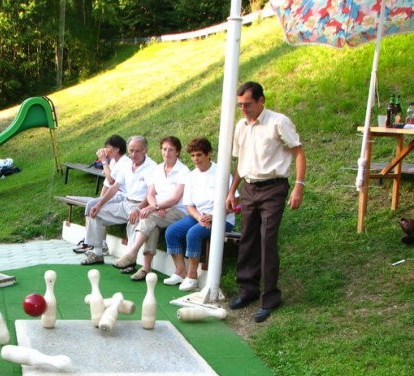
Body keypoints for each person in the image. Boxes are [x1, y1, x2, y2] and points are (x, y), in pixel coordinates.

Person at [225, 81, 307, 323]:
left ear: (261, 100)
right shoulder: (241, 126)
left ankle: (270, 298)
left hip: (273, 188)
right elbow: (240, 163)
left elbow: (299, 152)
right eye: (240, 105)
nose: (244, 109)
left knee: (267, 240)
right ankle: (247, 291)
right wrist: (233, 191)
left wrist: (299, 187)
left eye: (248, 104)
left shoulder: (278, 122)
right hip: (249, 188)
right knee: (248, 240)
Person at [163, 137, 236, 291]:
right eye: (192, 156)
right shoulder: (191, 176)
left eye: (199, 155)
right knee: (172, 231)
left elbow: (234, 200)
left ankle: (192, 276)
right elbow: (189, 205)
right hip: (199, 217)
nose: (195, 159)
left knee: (193, 233)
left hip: (223, 219)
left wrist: (215, 217)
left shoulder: (221, 173)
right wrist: (199, 217)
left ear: (208, 154)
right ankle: (180, 271)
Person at [112, 136, 190, 281]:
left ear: (178, 152)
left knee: (148, 217)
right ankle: (146, 268)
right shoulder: (158, 168)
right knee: (151, 226)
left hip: (178, 211)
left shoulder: (183, 171)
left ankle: (132, 253)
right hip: (159, 209)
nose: (167, 153)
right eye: (164, 149)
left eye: (171, 150)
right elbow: (150, 193)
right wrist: (155, 206)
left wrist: (154, 207)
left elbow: (175, 198)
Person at [79, 135, 156, 266]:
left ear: (145, 150)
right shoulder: (128, 165)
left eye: (137, 151)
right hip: (125, 203)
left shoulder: (152, 167)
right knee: (95, 212)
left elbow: (151, 193)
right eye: (131, 150)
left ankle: (130, 261)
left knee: (134, 222)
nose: (133, 154)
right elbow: (114, 187)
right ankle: (97, 253)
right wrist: (99, 204)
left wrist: (138, 209)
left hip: (141, 206)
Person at [73, 134, 130, 254]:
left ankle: (92, 243)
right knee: (92, 205)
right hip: (114, 195)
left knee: (94, 207)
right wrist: (100, 199)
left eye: (108, 148)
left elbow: (111, 181)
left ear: (117, 149)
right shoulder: (114, 161)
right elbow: (107, 184)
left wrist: (104, 161)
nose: (105, 151)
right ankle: (98, 242)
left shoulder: (125, 162)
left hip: (122, 197)